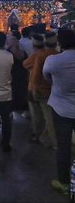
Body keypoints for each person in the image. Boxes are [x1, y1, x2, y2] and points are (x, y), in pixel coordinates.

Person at [43, 29, 75, 195]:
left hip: (61, 108)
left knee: (63, 146)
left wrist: (58, 86)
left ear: (59, 43)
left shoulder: (53, 60)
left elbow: (46, 76)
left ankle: (63, 181)